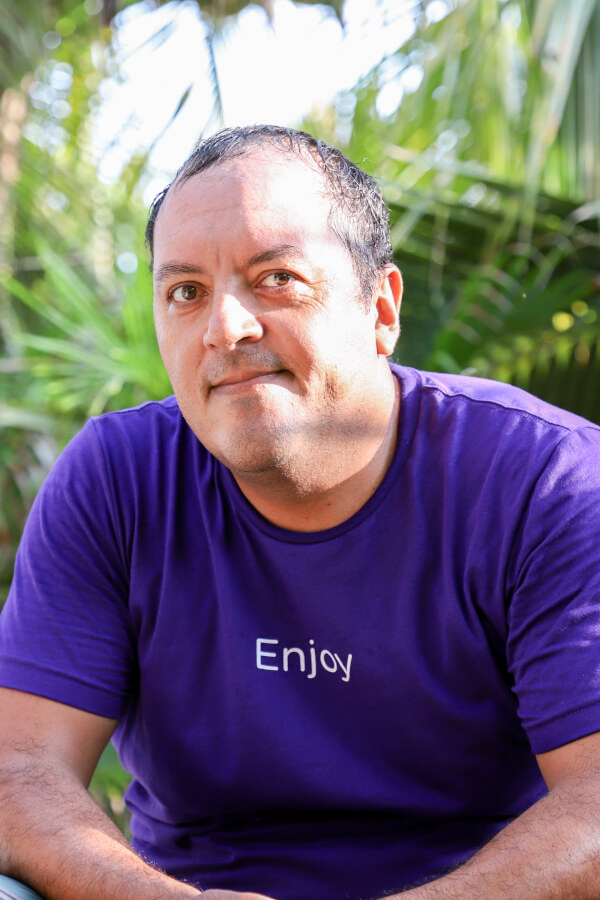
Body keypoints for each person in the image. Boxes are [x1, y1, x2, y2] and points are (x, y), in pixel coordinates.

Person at [1, 124, 600, 900]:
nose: (225, 328)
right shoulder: (117, 479)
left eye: (276, 278)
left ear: (380, 309)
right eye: (186, 292)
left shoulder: (544, 480)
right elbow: (20, 770)